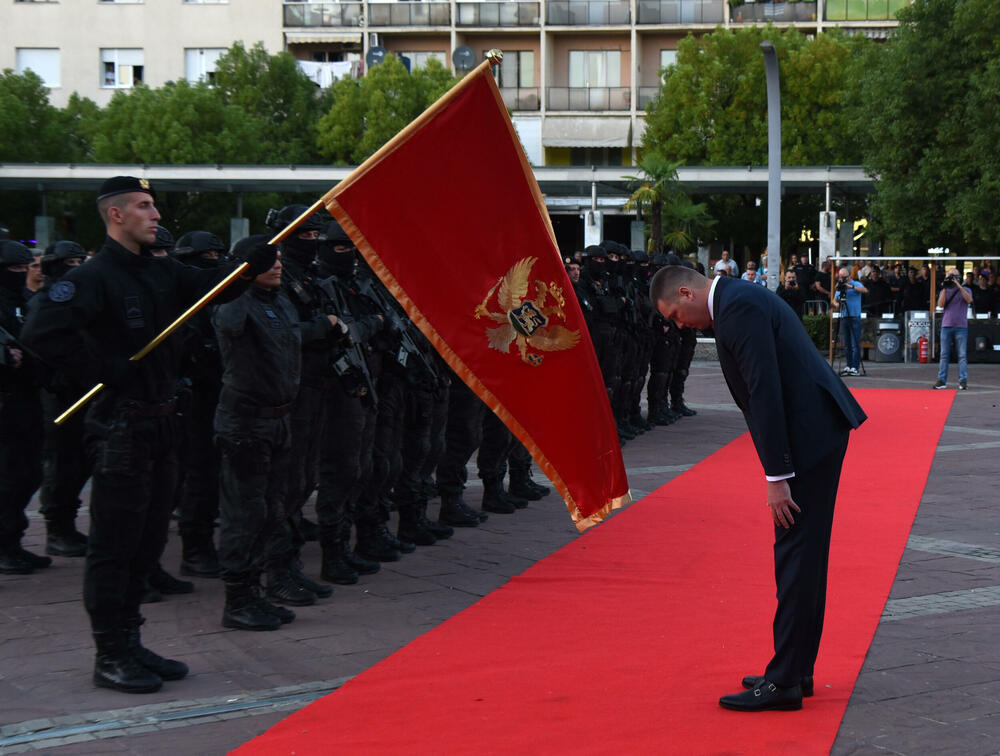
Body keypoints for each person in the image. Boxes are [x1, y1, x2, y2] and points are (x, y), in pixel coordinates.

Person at [22, 176, 276, 694]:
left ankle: (132, 639)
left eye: (154, 206)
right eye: (143, 206)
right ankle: (109, 652)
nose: (155, 214)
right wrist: (103, 368)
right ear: (116, 215)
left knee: (150, 541)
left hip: (164, 422)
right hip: (120, 427)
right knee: (115, 545)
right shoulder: (92, 277)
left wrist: (248, 261)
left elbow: (213, 288)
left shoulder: (161, 271)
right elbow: (41, 337)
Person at [650, 266, 867, 712]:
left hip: (808, 436)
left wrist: (776, 477)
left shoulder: (737, 307)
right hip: (814, 430)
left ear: (687, 292)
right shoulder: (735, 300)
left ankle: (785, 680)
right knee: (802, 559)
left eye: (674, 314)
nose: (677, 324)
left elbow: (764, 390)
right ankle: (796, 669)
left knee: (795, 557)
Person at [214, 236, 338, 631]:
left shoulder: (279, 300)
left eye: (280, 259)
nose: (278, 266)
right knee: (244, 514)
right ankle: (238, 598)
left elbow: (292, 337)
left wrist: (323, 327)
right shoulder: (235, 304)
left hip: (280, 419)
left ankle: (268, 583)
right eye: (267, 262)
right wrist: (235, 275)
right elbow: (219, 316)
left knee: (275, 509)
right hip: (246, 423)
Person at [0, 240, 47, 574]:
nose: (20, 275)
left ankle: (12, 542)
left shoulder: (26, 302)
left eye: (23, 269)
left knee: (27, 474)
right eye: (13, 270)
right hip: (5, 401)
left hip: (27, 399)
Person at [934, 267, 972, 390]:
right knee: (944, 355)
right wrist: (945, 286)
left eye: (954, 276)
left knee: (962, 355)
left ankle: (963, 380)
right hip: (946, 325)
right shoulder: (945, 291)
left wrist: (958, 285)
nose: (952, 278)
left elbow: (969, 300)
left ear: (959, 278)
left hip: (961, 326)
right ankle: (942, 380)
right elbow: (940, 304)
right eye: (950, 276)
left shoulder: (966, 289)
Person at [831, 267, 867, 376]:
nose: (842, 279)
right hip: (844, 316)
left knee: (855, 344)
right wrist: (837, 304)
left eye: (844, 277)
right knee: (846, 344)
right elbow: (834, 299)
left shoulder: (856, 284)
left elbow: (865, 290)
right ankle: (849, 365)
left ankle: (855, 367)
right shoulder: (840, 287)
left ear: (849, 276)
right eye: (841, 277)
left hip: (854, 316)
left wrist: (851, 286)